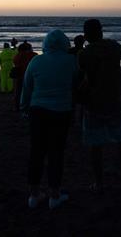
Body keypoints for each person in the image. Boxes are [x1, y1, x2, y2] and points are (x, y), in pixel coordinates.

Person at [21, 30, 77, 209]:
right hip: (62, 111)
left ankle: (34, 195)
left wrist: (24, 108)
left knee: (36, 152)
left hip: (38, 111)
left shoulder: (36, 61)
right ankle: (54, 195)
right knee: (56, 153)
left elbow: (27, 87)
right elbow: (76, 85)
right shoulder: (71, 62)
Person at [77, 19, 121, 192]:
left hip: (93, 103)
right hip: (114, 100)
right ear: (101, 31)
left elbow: (82, 72)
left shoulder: (84, 54)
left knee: (96, 145)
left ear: (86, 35)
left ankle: (99, 182)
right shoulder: (112, 46)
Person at [13, 42, 37, 111]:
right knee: (31, 92)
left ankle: (17, 106)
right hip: (31, 76)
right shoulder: (33, 55)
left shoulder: (17, 56)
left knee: (18, 92)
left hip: (20, 76)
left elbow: (15, 62)